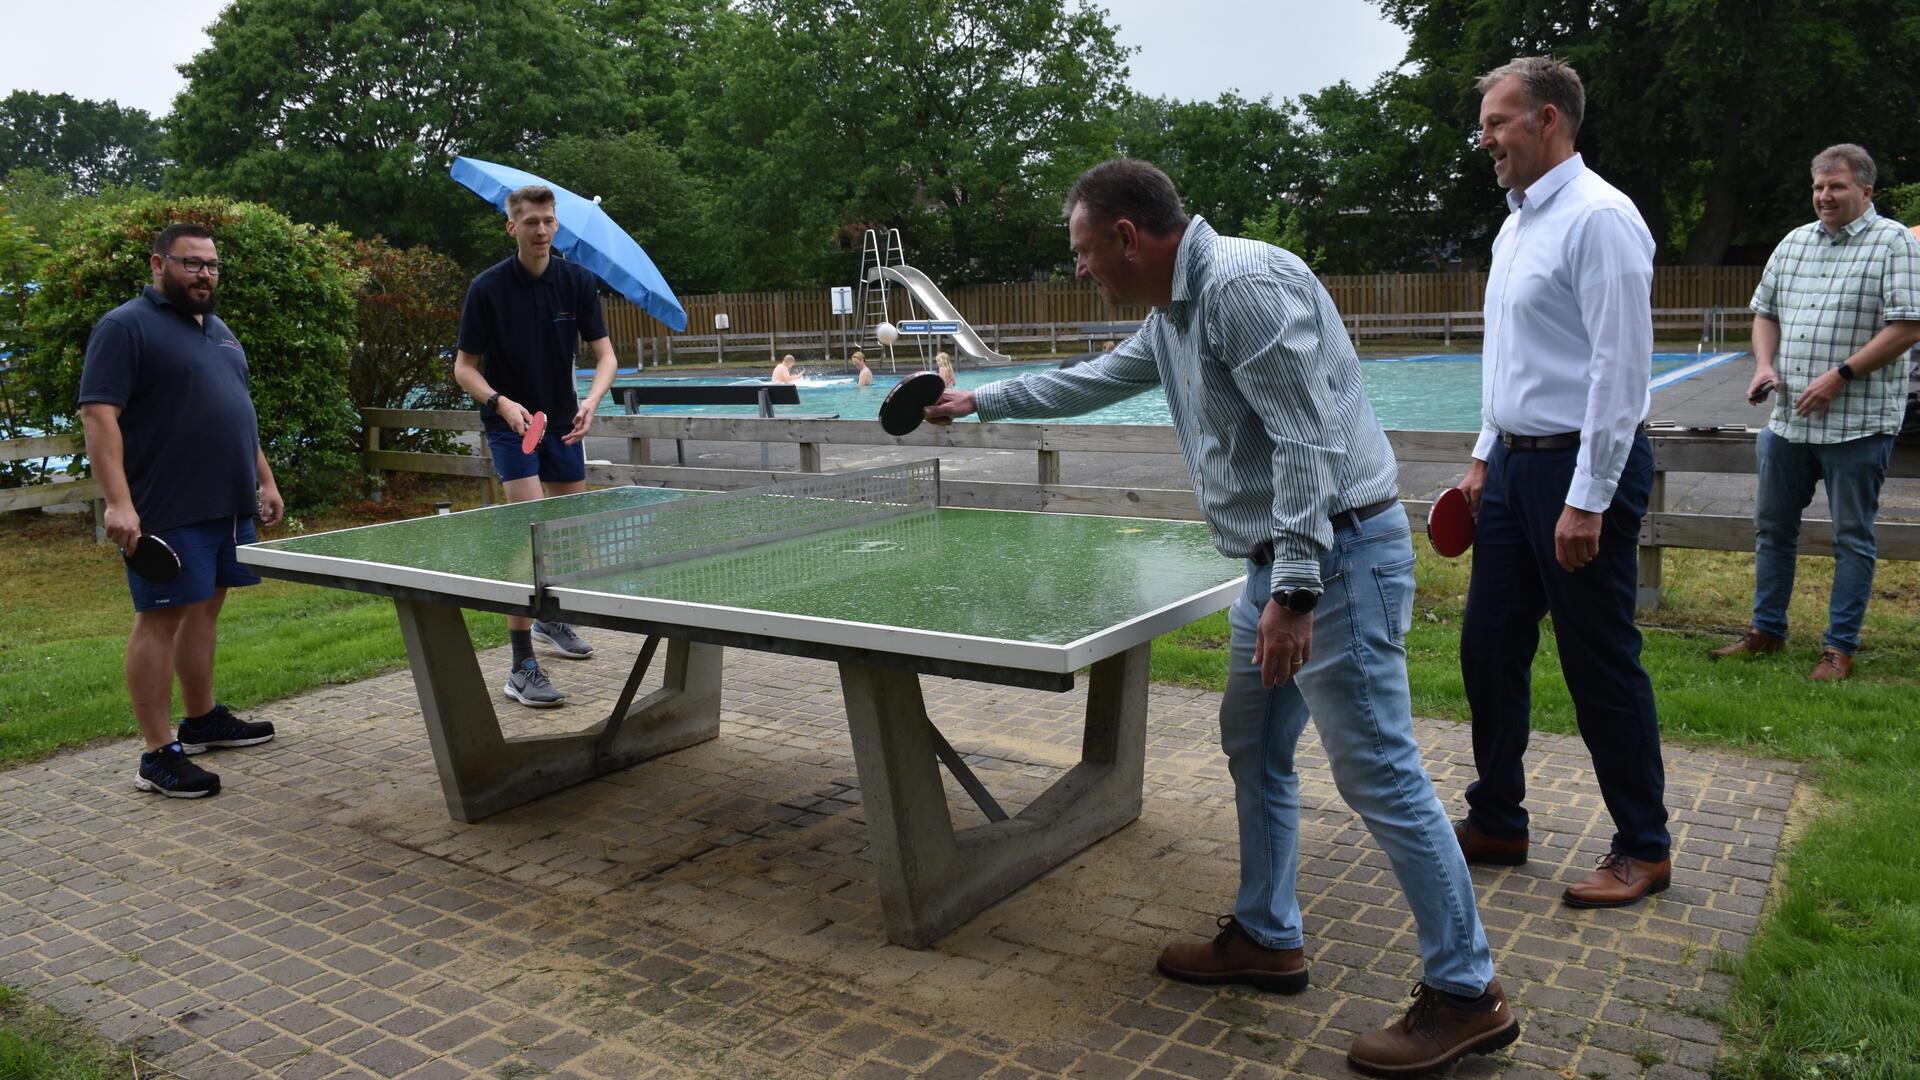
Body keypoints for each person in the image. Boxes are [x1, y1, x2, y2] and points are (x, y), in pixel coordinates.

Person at [925, 159, 1516, 1076]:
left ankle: (1467, 991)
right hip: (1280, 566)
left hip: (1334, 562)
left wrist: (1294, 594)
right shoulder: (1172, 311)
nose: (1079, 270)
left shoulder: (1242, 287)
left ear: (1128, 237)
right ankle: (1268, 935)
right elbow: (1095, 379)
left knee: (1382, 778)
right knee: (1253, 740)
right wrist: (978, 401)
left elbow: (1308, 441)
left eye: (1084, 252)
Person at [1450, 57, 1672, 908]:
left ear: (1549, 120)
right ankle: (1499, 818)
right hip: (1512, 468)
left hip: (1581, 470)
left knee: (1598, 659)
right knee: (1488, 646)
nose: (1487, 139)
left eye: (1499, 122)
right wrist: (1482, 454)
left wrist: (1589, 497)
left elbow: (1619, 372)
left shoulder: (1600, 219)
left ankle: (1643, 846)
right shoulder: (1516, 224)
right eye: (1486, 124)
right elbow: (1514, 361)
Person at [78, 223, 283, 799]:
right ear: (158, 264)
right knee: (160, 618)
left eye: (212, 265)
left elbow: (236, 411)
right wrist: (118, 502)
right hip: (166, 506)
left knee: (206, 610)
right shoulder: (125, 327)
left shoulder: (219, 331)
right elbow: (99, 415)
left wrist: (263, 481)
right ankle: (156, 753)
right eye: (191, 263)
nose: (204, 274)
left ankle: (201, 720)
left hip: (228, 503)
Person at [1711, 145, 1920, 679]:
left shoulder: (1894, 243)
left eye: (1838, 187)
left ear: (1866, 191)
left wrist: (1840, 375)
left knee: (1852, 536)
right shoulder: (1795, 242)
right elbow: (1766, 313)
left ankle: (1839, 648)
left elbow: (1908, 325)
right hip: (1789, 421)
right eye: (1819, 187)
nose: (1825, 196)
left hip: (1859, 423)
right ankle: (1767, 631)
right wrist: (1763, 365)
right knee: (1773, 529)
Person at [453, 185, 619, 707]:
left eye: (549, 221)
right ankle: (520, 664)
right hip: (512, 424)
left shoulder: (576, 282)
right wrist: (499, 402)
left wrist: (591, 400)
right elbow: (463, 368)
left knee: (568, 535)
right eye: (531, 222)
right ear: (512, 228)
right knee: (531, 538)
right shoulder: (487, 288)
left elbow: (606, 355)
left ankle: (551, 619)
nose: (542, 230)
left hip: (563, 422)